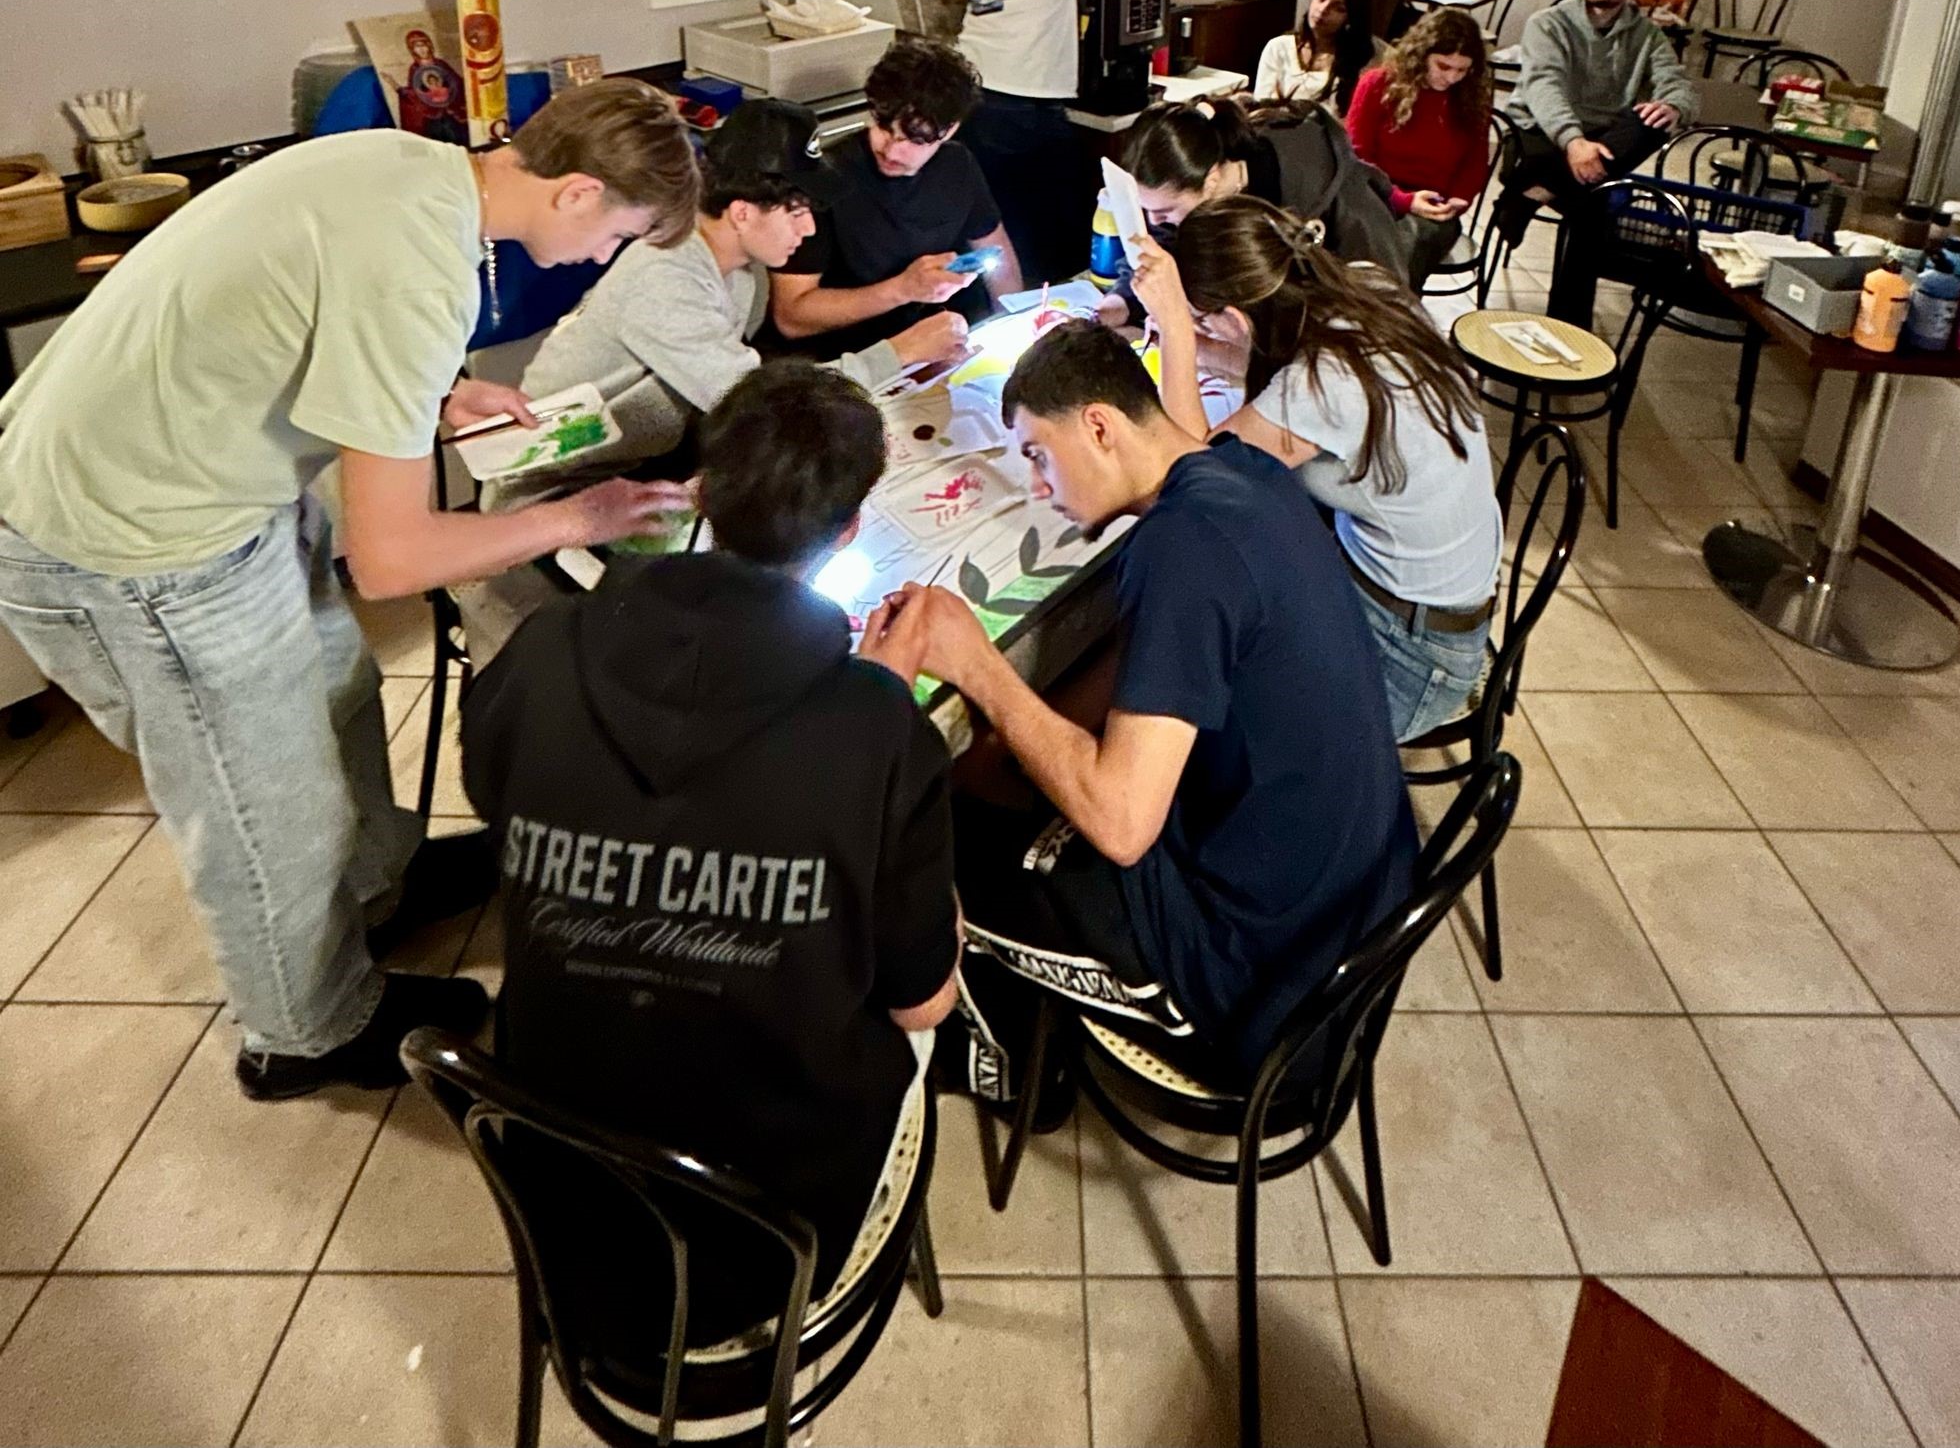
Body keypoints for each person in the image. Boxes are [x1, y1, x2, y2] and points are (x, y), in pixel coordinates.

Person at [0, 79, 699, 1101]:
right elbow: (393, 562)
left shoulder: (419, 168)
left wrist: (433, 394)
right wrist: (578, 517)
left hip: (215, 486)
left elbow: (309, 304)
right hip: (136, 541)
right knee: (262, 801)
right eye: (619, 235)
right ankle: (305, 1033)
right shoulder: (421, 269)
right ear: (579, 192)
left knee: (340, 689)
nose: (604, 258)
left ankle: (379, 884)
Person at [465, 358, 960, 1355]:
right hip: (773, 1227)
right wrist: (881, 703)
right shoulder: (874, 726)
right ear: (849, 531)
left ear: (702, 493)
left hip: (555, 1188)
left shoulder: (546, 646)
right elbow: (921, 1003)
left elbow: (493, 797)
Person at [863, 322, 1417, 1094]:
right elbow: (1142, 658)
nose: (1037, 486)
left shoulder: (1179, 550)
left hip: (1263, 992)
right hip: (1354, 904)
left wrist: (980, 668)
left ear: (1099, 426)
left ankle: (1019, 1078)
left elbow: (1122, 826)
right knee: (1001, 784)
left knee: (939, 856)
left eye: (1037, 454)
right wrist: (1005, 741)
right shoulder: (1240, 471)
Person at [457, 99, 971, 663]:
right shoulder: (665, 276)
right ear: (743, 212)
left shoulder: (739, 272)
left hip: (642, 468)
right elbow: (771, 406)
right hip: (544, 507)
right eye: (797, 210)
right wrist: (898, 352)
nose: (808, 228)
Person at [1131, 197, 1502, 743]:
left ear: (1235, 317)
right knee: (1243, 585)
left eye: (1204, 320)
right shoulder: (1363, 285)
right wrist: (1198, 345)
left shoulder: (1323, 384)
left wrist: (1177, 338)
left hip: (1413, 653)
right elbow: (1276, 364)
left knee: (1213, 695)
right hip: (1435, 599)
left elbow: (1194, 479)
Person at [767, 37, 1022, 360]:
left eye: (914, 139)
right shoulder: (823, 180)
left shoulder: (957, 166)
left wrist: (1016, 324)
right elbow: (791, 317)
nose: (891, 150)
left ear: (949, 130)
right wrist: (903, 288)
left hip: (922, 351)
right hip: (836, 363)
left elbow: (999, 259)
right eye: (884, 127)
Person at [957, 0, 1136, 282]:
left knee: (992, 217)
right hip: (1029, 96)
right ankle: (1048, 304)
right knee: (1053, 224)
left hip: (972, 87)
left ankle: (995, 303)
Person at [1496, 0, 1698, 323]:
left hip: (1601, 144)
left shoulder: (1647, 35)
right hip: (1538, 135)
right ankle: (1568, 327)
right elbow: (1544, 88)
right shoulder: (1547, 23)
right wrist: (1573, 141)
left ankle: (1529, 195)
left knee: (1654, 121)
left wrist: (1674, 105)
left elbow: (1677, 83)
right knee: (1594, 205)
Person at [1094, 95, 1416, 332]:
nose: (1153, 222)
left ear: (1211, 181)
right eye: (1146, 210)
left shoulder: (1328, 200)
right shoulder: (1198, 185)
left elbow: (1385, 310)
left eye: (1164, 211)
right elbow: (1166, 245)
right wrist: (1122, 302)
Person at [1344, 6, 1496, 287]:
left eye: (1462, 70)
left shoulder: (1471, 97)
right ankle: (1388, 309)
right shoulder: (1377, 84)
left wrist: (1459, 199)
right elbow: (1356, 159)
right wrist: (1402, 200)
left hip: (1434, 204)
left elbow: (1474, 164)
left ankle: (1389, 310)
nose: (1452, 78)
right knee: (1379, 242)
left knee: (1412, 240)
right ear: (1421, 55)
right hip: (1375, 194)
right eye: (1443, 66)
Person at [1253, 0, 1375, 114]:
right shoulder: (1279, 47)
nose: (1323, 10)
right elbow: (1261, 108)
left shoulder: (1364, 58)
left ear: (1352, 18)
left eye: (1338, 8)